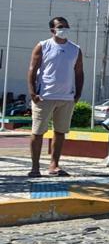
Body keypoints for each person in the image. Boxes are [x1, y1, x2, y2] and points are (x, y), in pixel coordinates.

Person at [26, 17, 84, 178]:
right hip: (44, 96)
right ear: (52, 30)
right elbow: (32, 69)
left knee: (60, 132)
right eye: (60, 26)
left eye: (66, 26)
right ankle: (35, 167)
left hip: (66, 98)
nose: (64, 29)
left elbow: (79, 72)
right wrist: (32, 92)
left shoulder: (75, 49)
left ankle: (54, 165)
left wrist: (77, 93)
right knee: (37, 132)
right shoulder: (43, 46)